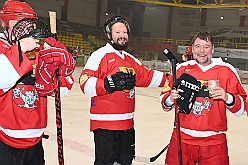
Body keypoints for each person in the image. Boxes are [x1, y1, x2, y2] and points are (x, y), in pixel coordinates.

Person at [79, 15, 168, 165]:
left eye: (125, 32)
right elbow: (85, 83)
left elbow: (148, 76)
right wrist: (108, 84)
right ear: (109, 35)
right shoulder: (99, 55)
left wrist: (174, 78)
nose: (122, 36)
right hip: (106, 127)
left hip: (127, 126)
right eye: (118, 32)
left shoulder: (130, 59)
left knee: (125, 162)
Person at [0, 0, 75, 165]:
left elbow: (61, 92)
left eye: (31, 25)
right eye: (25, 25)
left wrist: (64, 70)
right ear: (11, 24)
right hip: (4, 144)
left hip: (35, 142)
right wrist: (20, 48)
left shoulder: (40, 52)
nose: (30, 30)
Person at [160, 31, 247, 165]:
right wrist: (171, 98)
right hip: (182, 139)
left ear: (212, 49)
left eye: (206, 46)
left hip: (214, 143)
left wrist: (227, 97)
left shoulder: (226, 70)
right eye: (198, 46)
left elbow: (240, 108)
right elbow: (164, 102)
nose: (202, 51)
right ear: (192, 49)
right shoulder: (180, 69)